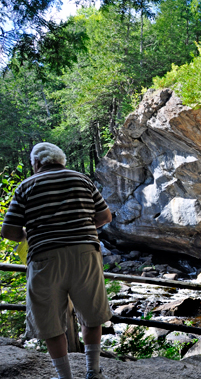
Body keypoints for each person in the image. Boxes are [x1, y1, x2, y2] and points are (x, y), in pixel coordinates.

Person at [1, 142, 113, 379]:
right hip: (85, 253)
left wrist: (29, 235)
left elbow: (9, 232)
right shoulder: (82, 180)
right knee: (92, 312)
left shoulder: (26, 186)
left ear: (37, 163)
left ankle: (64, 377)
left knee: (49, 318)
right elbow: (105, 216)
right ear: (60, 160)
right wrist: (81, 229)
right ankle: (93, 372)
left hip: (45, 257)